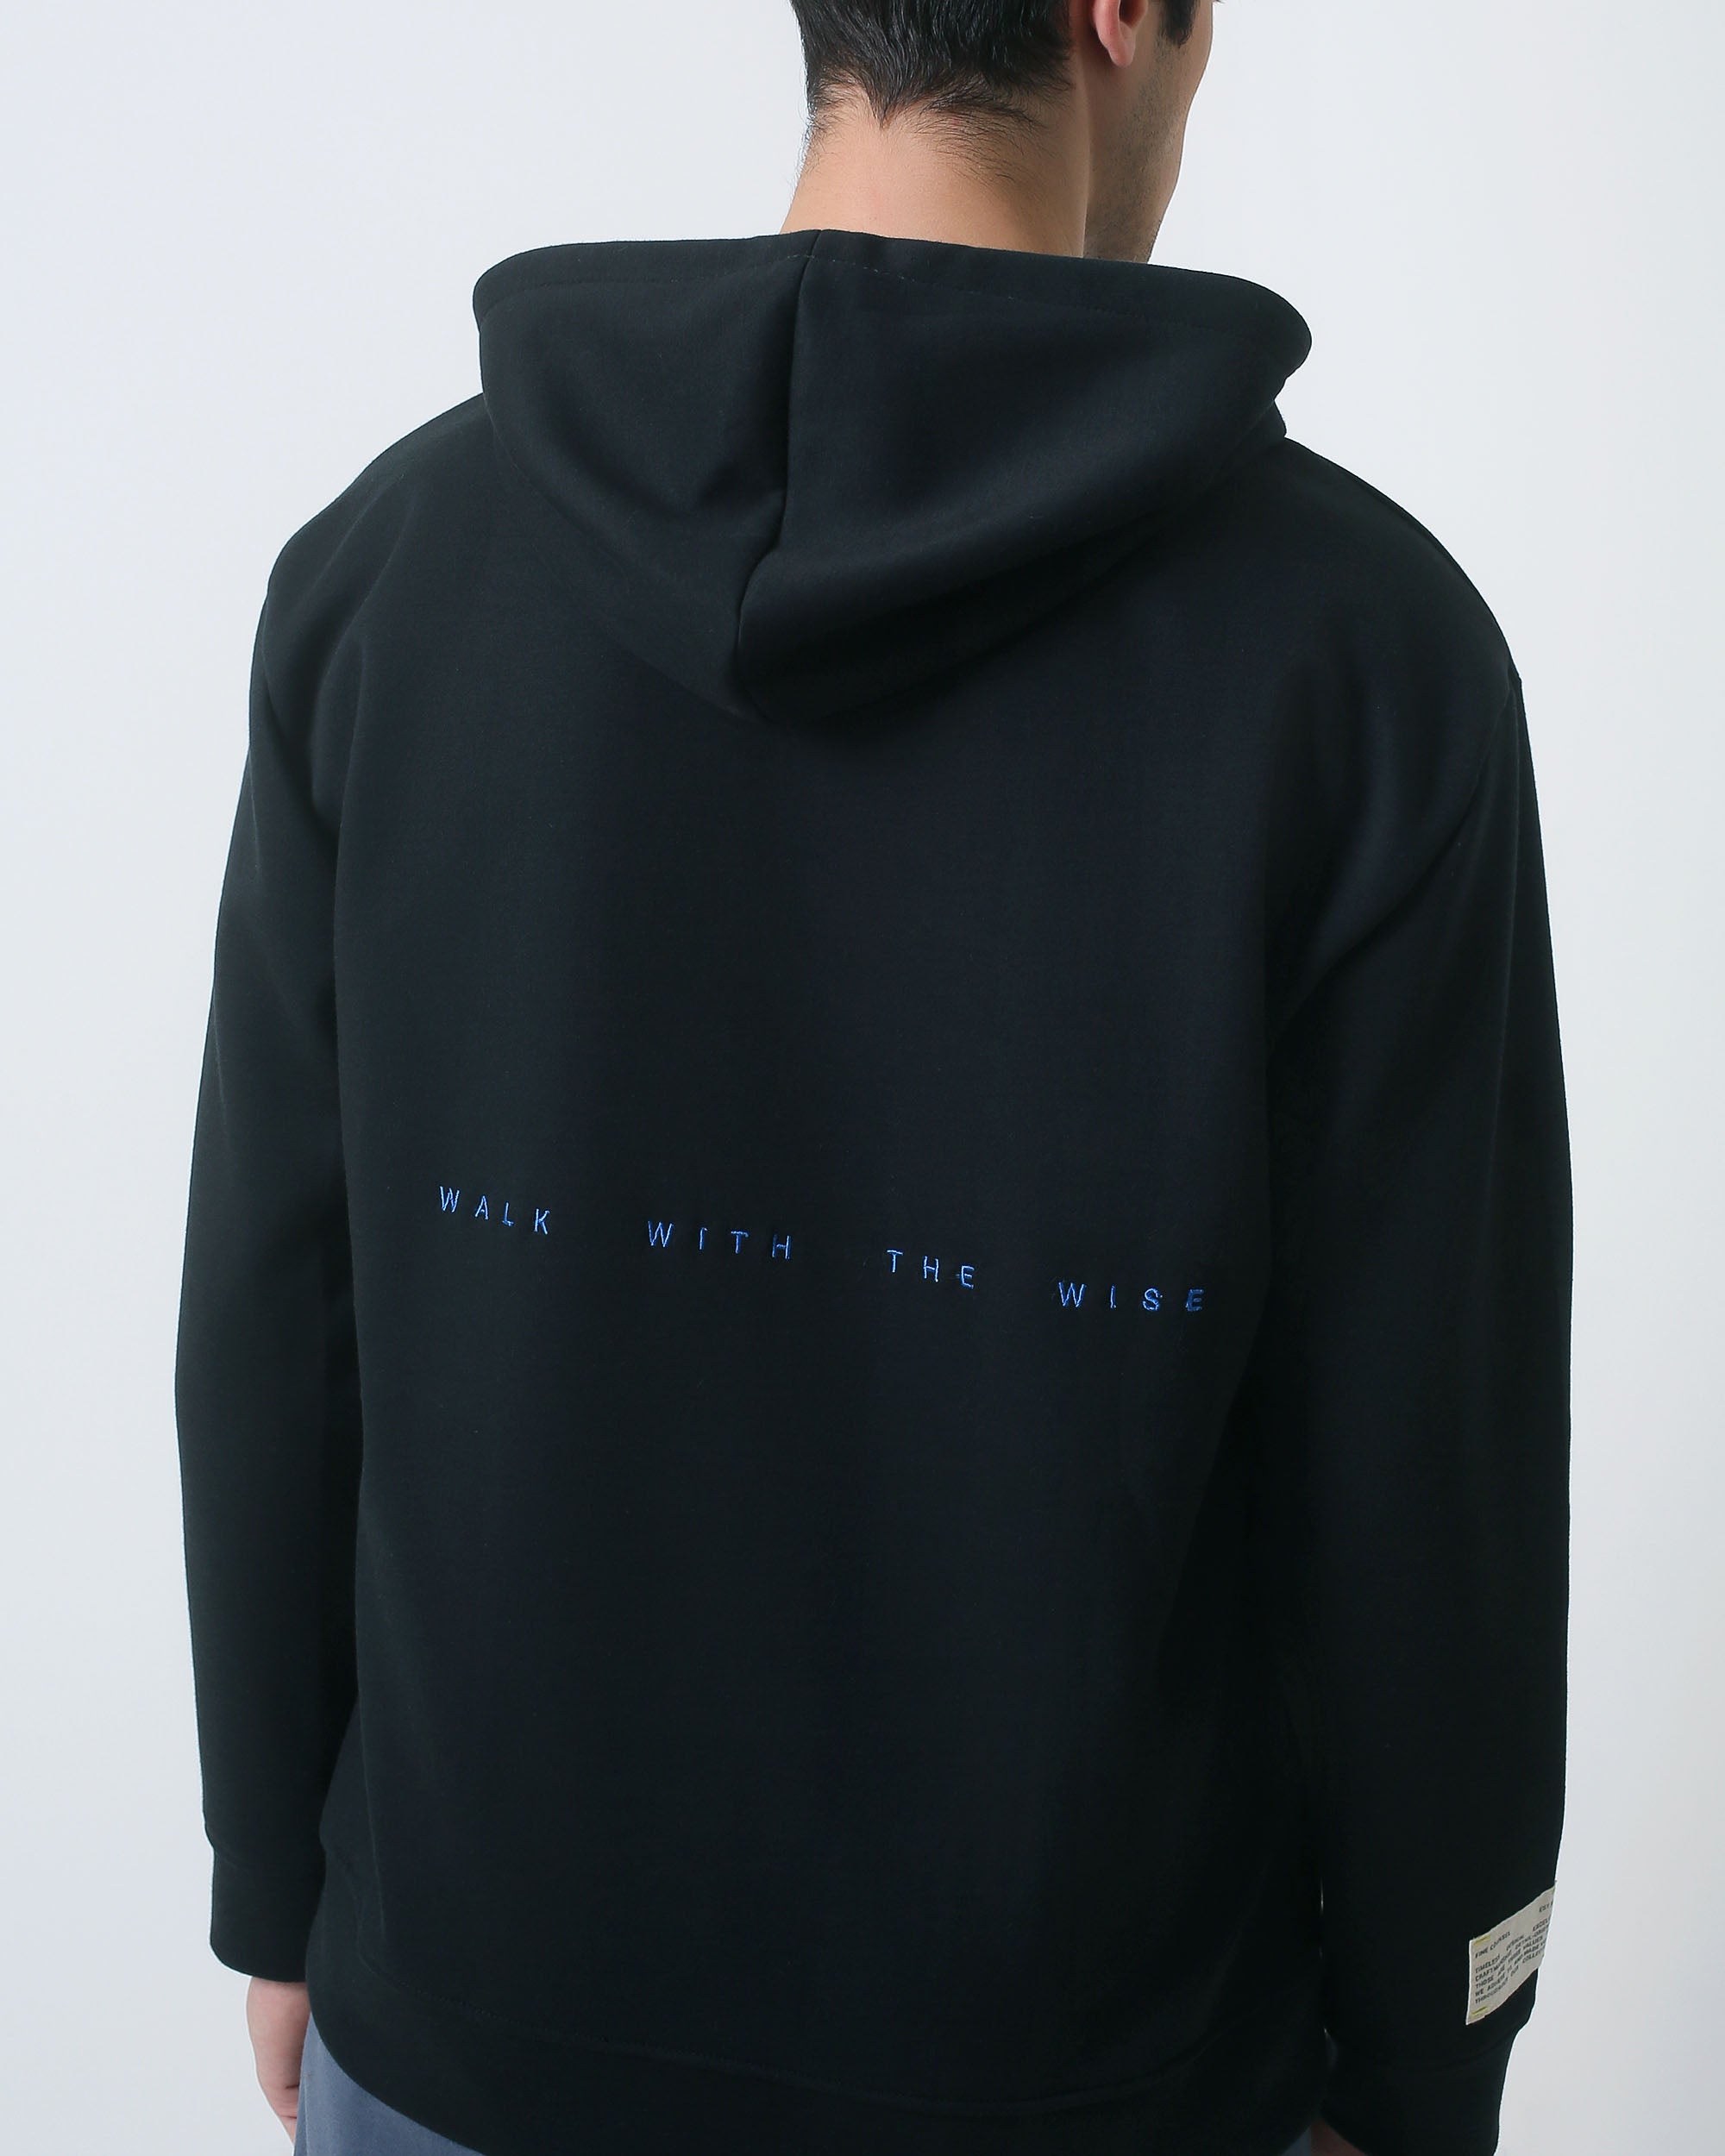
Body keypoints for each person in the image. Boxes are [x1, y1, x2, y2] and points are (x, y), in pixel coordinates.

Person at [174, 3, 1572, 2153]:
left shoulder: (390, 570)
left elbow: (280, 1304)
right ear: (1123, 16)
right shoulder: (1367, 657)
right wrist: (1425, 2047)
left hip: (463, 2024)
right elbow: (1425, 1459)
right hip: (1097, 2073)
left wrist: (275, 1875)